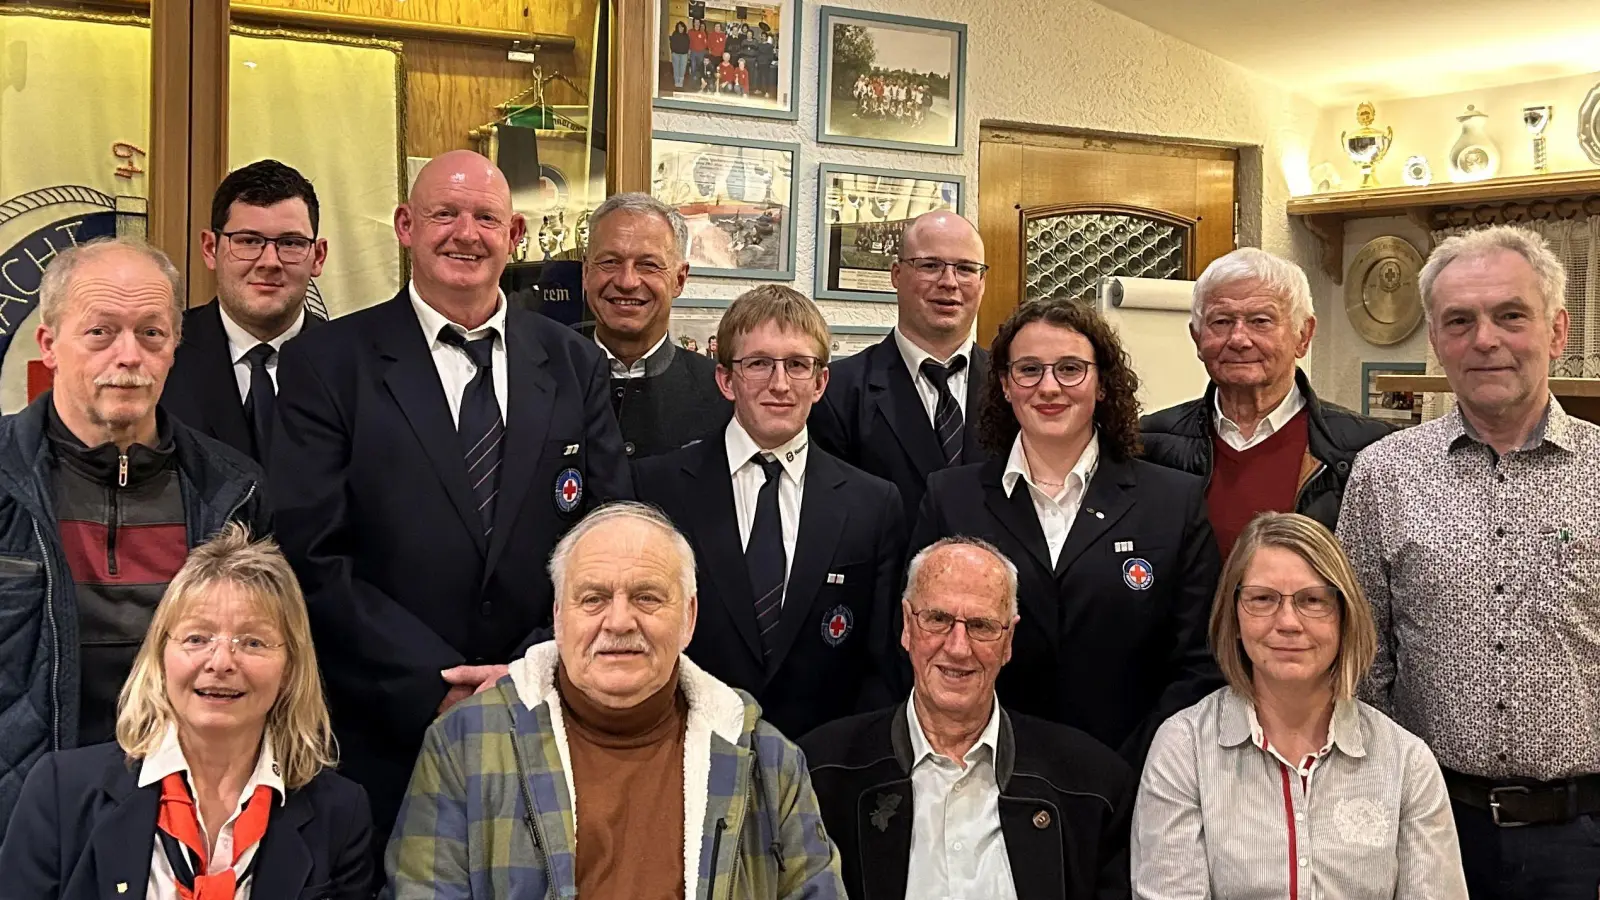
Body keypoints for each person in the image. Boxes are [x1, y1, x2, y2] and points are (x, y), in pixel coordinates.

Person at [270, 150, 632, 857]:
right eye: (444, 213)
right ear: (406, 225)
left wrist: (529, 669)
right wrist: (430, 685)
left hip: (544, 715)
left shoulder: (572, 363)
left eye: (486, 217)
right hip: (381, 733)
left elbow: (608, 535)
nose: (465, 233)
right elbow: (309, 552)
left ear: (516, 235)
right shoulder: (329, 361)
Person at [385, 502, 845, 898]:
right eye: (594, 598)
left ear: (689, 617)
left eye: (646, 598)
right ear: (558, 617)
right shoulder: (462, 746)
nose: (620, 621)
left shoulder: (769, 763)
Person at [1338, 225, 1600, 898]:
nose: (1485, 339)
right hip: (1428, 825)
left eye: (1511, 315)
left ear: (1558, 331)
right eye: (1460, 321)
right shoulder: (1382, 475)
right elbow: (1360, 654)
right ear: (1436, 338)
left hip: (1582, 837)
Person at [0, 238, 270, 837]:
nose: (129, 356)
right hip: (18, 828)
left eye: (151, 333)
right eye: (100, 333)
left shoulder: (232, 493)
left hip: (179, 830)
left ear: (174, 346)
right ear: (49, 345)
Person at [908, 297, 1220, 763]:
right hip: (979, 773)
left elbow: (1199, 662)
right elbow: (918, 640)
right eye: (1029, 370)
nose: (1049, 387)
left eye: (1071, 369)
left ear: (1102, 385)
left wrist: (1133, 767)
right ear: (1005, 387)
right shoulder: (950, 500)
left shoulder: (1174, 502)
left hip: (1131, 780)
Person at [0, 523, 374, 897]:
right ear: (161, 657)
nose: (221, 661)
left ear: (290, 669)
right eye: (197, 638)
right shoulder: (60, 791)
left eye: (253, 642)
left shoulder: (340, 814)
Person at [1133, 512, 1467, 899]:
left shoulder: (1406, 762)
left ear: (1345, 615)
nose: (1288, 622)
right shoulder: (1183, 750)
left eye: (1312, 600)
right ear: (1234, 614)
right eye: (1262, 599)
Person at [636, 286, 905, 739]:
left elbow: (881, 664)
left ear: (820, 382)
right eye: (758, 363)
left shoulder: (873, 505)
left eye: (798, 365)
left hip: (823, 762)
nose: (779, 384)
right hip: (684, 751)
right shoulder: (656, 489)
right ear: (725, 379)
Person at [803, 537, 1133, 900]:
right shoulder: (821, 777)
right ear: (907, 627)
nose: (958, 647)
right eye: (938, 619)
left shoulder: (1093, 788)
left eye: (981, 625)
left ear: (1008, 642)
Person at [1140, 248, 1390, 557]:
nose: (1239, 339)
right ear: (1196, 338)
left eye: (1260, 321)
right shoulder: (1148, 444)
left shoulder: (1370, 450)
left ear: (1304, 336)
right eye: (1221, 321)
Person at [810, 210, 992, 527]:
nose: (949, 282)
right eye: (930, 265)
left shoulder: (1014, 386)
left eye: (965, 269)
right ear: (896, 275)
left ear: (982, 282)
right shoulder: (837, 392)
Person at [162, 159, 329, 464]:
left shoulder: (353, 367)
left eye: (290, 243)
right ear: (210, 249)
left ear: (317, 257)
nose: (269, 261)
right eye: (249, 241)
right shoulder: (159, 356)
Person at [582, 192, 729, 459]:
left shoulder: (723, 394)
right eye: (610, 262)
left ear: (679, 280)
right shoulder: (541, 379)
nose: (627, 282)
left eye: (648, 265)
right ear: (585, 273)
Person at [668, 21, 691, 89]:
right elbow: (671, 43)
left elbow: (688, 44)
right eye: (679, 27)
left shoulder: (686, 36)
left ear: (684, 28)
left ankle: (681, 82)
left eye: (682, 27)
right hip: (676, 54)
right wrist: (673, 51)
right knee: (676, 68)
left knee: (682, 69)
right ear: (677, 28)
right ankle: (676, 82)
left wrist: (687, 52)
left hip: (684, 55)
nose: (681, 28)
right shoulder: (674, 34)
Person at [687, 20, 707, 88]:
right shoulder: (690, 32)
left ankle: (699, 83)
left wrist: (702, 50)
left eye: (698, 23)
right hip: (693, 52)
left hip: (701, 53)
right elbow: (688, 41)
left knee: (700, 68)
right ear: (693, 23)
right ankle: (693, 83)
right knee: (693, 67)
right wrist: (689, 50)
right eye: (696, 22)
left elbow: (705, 43)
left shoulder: (702, 33)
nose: (697, 24)